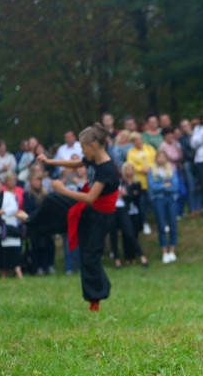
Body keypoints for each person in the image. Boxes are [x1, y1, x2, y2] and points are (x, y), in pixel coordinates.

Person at [19, 123, 120, 311]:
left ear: (94, 145)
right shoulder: (94, 158)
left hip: (100, 218)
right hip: (89, 211)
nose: (82, 152)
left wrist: (63, 190)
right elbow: (77, 163)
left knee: (90, 258)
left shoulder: (108, 169)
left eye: (83, 147)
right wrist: (50, 161)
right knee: (52, 200)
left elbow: (90, 198)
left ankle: (95, 301)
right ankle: (30, 220)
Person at [109, 163, 149, 268]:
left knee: (130, 233)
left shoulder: (123, 182)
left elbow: (131, 196)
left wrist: (125, 194)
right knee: (113, 235)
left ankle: (142, 255)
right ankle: (117, 259)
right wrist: (114, 196)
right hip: (112, 210)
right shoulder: (107, 183)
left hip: (123, 209)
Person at [148, 150, 179, 263]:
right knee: (161, 225)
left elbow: (175, 186)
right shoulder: (152, 171)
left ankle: (172, 250)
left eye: (163, 157)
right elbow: (152, 187)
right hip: (159, 200)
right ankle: (164, 252)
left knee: (173, 224)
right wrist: (165, 185)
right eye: (159, 157)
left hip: (171, 199)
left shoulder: (172, 170)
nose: (161, 159)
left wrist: (160, 186)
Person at [23, 173, 55, 275]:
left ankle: (48, 266)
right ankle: (37, 267)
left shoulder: (47, 194)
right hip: (34, 224)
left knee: (47, 245)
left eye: (38, 180)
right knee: (35, 246)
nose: (36, 183)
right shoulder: (27, 195)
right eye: (34, 181)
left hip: (46, 224)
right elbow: (27, 210)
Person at [126, 131, 156, 235]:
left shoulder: (149, 148)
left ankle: (161, 220)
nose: (138, 141)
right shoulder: (131, 152)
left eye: (139, 139)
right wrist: (141, 169)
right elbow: (131, 164)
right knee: (141, 203)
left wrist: (150, 168)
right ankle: (145, 223)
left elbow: (155, 158)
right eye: (136, 140)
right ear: (133, 142)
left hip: (152, 178)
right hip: (139, 181)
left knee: (154, 201)